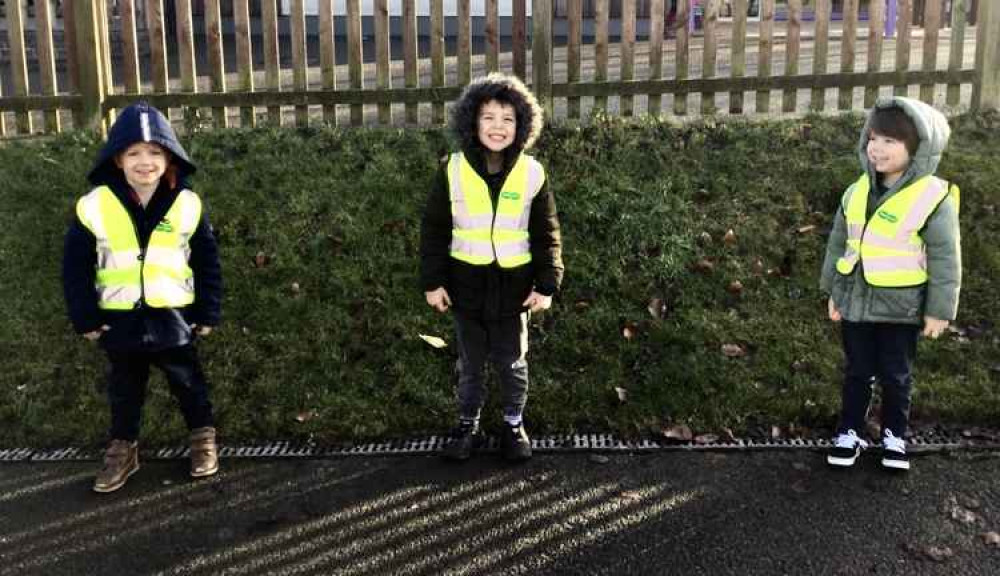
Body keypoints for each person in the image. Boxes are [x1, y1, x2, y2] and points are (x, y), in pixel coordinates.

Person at [63, 102, 223, 492]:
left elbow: (207, 262)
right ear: (117, 159)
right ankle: (124, 449)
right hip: (119, 318)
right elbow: (75, 267)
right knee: (124, 389)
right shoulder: (94, 206)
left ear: (169, 157)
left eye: (154, 152)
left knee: (188, 383)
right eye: (133, 153)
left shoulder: (187, 204)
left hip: (174, 315)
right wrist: (85, 317)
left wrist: (207, 312)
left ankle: (203, 438)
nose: (145, 162)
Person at [420, 73, 563, 462]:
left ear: (522, 126)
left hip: (514, 291)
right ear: (471, 122)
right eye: (488, 117)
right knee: (470, 365)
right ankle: (468, 426)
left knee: (513, 363)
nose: (497, 127)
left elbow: (547, 232)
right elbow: (433, 231)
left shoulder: (533, 173)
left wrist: (547, 285)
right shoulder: (452, 170)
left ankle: (513, 425)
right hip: (465, 290)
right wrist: (433, 283)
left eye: (507, 119)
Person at [820, 96, 960, 471]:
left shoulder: (933, 197)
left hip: (901, 308)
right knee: (857, 371)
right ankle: (849, 431)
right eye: (873, 138)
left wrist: (938, 310)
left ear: (918, 149)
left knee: (897, 375)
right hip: (855, 302)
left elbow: (946, 257)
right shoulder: (856, 191)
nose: (877, 148)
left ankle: (894, 436)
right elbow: (838, 243)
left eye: (890, 142)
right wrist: (833, 291)